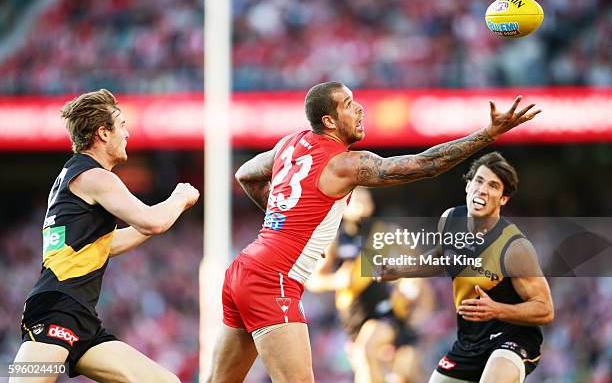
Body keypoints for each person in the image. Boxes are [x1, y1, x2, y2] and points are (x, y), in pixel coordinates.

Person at [207, 81, 541, 383]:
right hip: (272, 278)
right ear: (329, 122)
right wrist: (487, 134)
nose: (359, 108)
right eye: (349, 104)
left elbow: (246, 174)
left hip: (243, 269)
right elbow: (426, 164)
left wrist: (281, 216)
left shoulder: (289, 144)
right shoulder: (343, 163)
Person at [11, 89, 200, 383]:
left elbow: (108, 244)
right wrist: (179, 198)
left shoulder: (74, 177)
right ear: (102, 133)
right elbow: (152, 222)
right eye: (121, 125)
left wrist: (162, 215)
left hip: (81, 318)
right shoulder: (95, 177)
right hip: (56, 309)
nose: (128, 133)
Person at [422, 152, 554, 383]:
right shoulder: (450, 220)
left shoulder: (515, 247)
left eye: (493, 186)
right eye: (479, 181)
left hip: (513, 338)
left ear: (503, 199)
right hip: (469, 343)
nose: (483, 189)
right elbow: (442, 257)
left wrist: (497, 310)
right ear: (468, 185)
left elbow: (545, 310)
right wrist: (398, 268)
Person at [307, 187, 433, 383]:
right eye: (355, 200)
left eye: (365, 199)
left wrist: (412, 285)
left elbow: (417, 264)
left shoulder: (384, 233)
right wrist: (336, 280)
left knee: (367, 351)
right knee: (368, 370)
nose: (362, 204)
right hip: (353, 316)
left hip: (385, 312)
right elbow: (313, 281)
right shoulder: (336, 239)